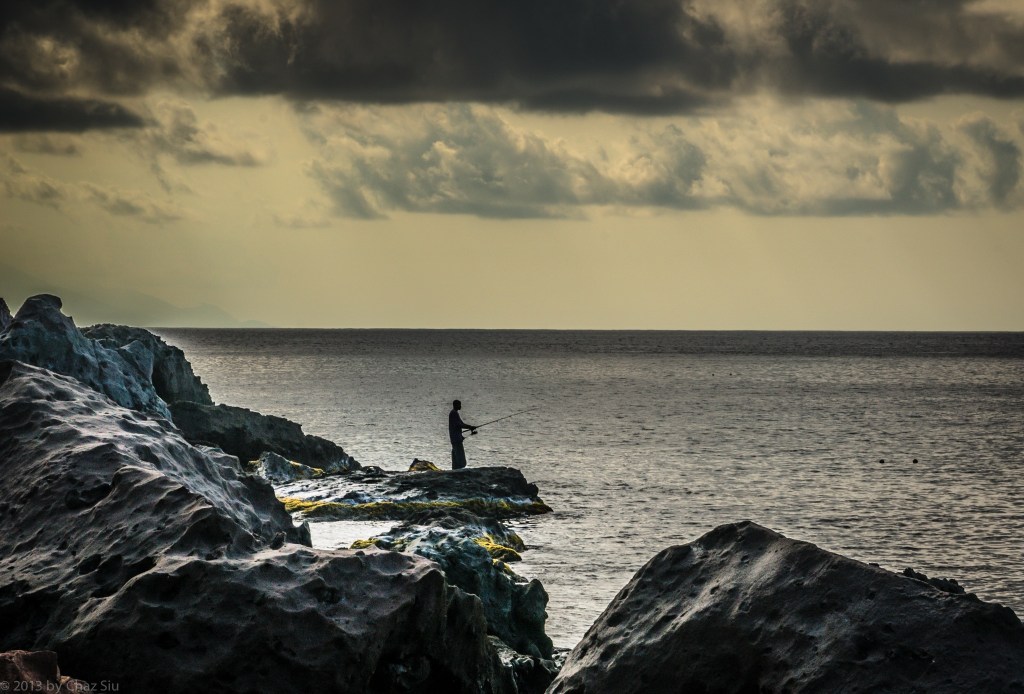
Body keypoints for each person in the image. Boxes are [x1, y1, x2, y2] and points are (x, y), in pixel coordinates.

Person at [449, 399, 477, 470]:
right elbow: (459, 425)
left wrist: (470, 427)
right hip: (456, 439)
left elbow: (461, 424)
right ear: (455, 405)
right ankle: (458, 470)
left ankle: (455, 469)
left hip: (455, 438)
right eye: (459, 405)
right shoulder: (453, 413)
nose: (460, 406)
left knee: (456, 455)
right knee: (460, 457)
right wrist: (470, 427)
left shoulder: (455, 413)